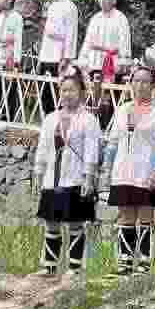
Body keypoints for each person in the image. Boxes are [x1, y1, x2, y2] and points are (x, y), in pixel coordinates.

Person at [105, 63, 155, 277]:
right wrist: (107, 167)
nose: (140, 85)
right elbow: (113, 141)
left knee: (145, 215)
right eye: (136, 81)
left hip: (147, 172)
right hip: (123, 171)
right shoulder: (122, 109)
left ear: (153, 85)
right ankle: (124, 261)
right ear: (131, 84)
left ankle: (144, 262)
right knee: (126, 216)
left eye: (145, 82)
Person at [35, 69, 101, 278]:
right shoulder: (50, 119)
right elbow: (43, 148)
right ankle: (49, 265)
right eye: (64, 90)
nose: (67, 94)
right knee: (51, 222)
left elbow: (91, 150)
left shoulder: (88, 120)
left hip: (75, 177)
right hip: (52, 177)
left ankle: (74, 267)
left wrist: (88, 177)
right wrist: (38, 173)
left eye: (72, 90)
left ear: (81, 92)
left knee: (75, 222)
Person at [80, 0, 130, 83]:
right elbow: (88, 41)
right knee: (95, 90)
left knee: (111, 90)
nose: (102, 0)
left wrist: (122, 62)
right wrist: (83, 60)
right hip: (95, 64)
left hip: (114, 65)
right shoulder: (95, 18)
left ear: (114, 1)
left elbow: (124, 43)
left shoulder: (121, 18)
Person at [37, 0, 78, 74]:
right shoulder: (51, 6)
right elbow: (46, 33)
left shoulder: (70, 7)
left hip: (59, 56)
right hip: (46, 55)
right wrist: (40, 59)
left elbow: (71, 34)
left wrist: (66, 58)